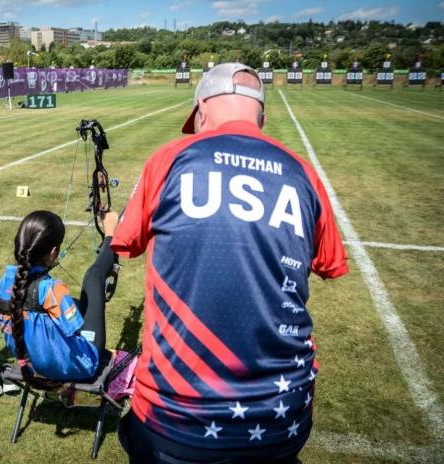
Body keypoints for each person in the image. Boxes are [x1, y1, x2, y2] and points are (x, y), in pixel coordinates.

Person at [112, 63, 349, 463]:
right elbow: (329, 264)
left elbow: (125, 242)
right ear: (262, 117)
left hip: (176, 416)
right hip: (282, 414)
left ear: (202, 108)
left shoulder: (169, 158)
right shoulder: (302, 171)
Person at [0, 210, 119, 386]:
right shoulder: (53, 290)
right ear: (53, 253)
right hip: (76, 366)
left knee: (75, 304)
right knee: (93, 276)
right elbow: (76, 328)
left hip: (30, 363)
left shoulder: (3, 283)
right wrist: (110, 232)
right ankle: (111, 234)